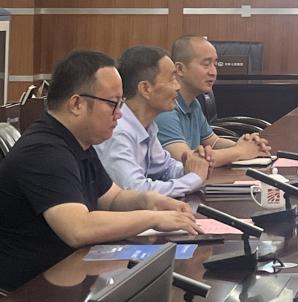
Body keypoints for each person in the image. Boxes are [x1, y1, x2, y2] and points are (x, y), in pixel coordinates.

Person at [0, 50, 200, 293]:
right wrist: (153, 218)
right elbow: (78, 228)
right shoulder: (44, 151)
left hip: (70, 275)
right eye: (113, 103)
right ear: (76, 104)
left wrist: (151, 201)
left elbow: (113, 198)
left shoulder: (79, 143)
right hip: (30, 289)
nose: (119, 113)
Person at [96, 46, 212, 197]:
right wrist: (193, 179)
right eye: (172, 79)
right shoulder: (118, 131)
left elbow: (165, 169)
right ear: (146, 88)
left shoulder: (147, 126)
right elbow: (135, 190)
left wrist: (192, 165)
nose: (178, 87)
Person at [155, 35, 270, 167]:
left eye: (215, 64)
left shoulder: (193, 103)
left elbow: (213, 142)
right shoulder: (165, 107)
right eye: (206, 64)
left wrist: (247, 146)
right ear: (180, 69)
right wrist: (240, 151)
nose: (213, 72)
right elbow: (186, 159)